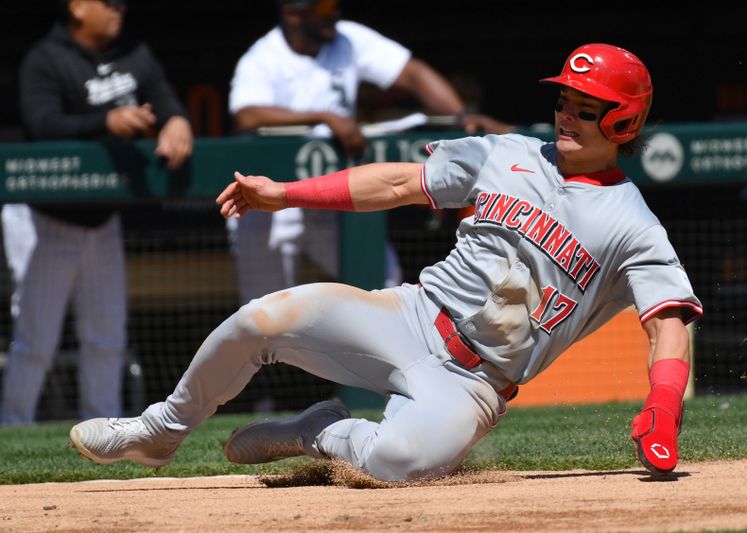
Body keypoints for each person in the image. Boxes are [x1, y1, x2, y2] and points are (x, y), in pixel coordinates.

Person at [68, 43, 702, 480]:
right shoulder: (506, 153)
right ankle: (159, 431)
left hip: (474, 383)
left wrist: (664, 405)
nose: (566, 114)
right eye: (564, 99)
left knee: (396, 465)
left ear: (622, 120)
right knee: (262, 318)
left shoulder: (634, 225)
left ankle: (317, 432)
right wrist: (284, 194)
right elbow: (399, 183)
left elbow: (667, 322)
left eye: (585, 107)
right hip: (411, 315)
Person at [226, 0, 514, 303]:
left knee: (384, 283)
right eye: (323, 8)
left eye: (335, 5)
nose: (334, 14)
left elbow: (412, 74)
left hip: (325, 195)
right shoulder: (262, 57)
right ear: (293, 14)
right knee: (264, 312)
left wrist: (460, 115)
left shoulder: (348, 39)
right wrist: (324, 116)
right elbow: (246, 115)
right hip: (267, 200)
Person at [0, 0, 193, 424]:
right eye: (108, 3)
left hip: (104, 221)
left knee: (106, 338)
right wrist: (105, 121)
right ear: (77, 6)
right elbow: (42, 124)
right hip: (48, 221)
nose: (119, 9)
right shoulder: (45, 58)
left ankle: (100, 432)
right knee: (35, 342)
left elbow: (164, 97)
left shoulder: (133, 52)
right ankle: (12, 429)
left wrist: (177, 120)